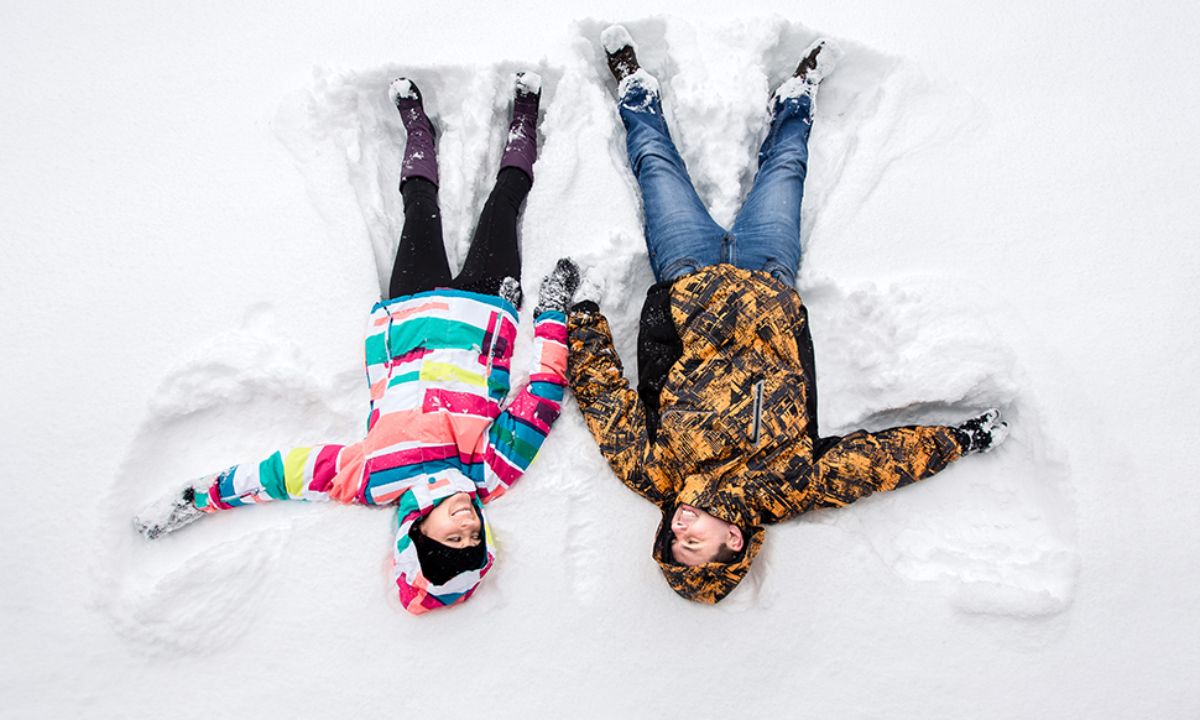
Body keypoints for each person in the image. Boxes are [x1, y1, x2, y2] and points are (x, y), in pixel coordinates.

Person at [567, 26, 1009, 604]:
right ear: (734, 538)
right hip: (769, 276)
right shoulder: (787, 485)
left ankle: (634, 85)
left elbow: (608, 405)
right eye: (694, 545)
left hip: (687, 274)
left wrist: (577, 317)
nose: (679, 530)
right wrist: (962, 439)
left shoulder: (657, 476)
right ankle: (796, 97)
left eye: (672, 541)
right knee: (785, 172)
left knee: (656, 167)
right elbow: (876, 462)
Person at [134, 72, 580, 614]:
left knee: (418, 207)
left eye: (452, 537)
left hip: (410, 313)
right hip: (485, 311)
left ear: (417, 531)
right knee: (503, 204)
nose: (466, 524)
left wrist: (195, 499)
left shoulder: (371, 476)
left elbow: (275, 477)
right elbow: (545, 392)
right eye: (473, 538)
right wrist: (553, 311)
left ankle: (418, 131)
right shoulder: (489, 472)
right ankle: (524, 116)